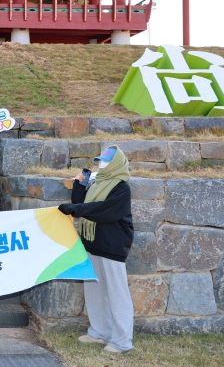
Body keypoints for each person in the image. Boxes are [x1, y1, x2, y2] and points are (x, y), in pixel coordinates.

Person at [57, 146, 134, 354]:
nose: (102, 165)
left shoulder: (121, 188)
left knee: (117, 293)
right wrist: (79, 184)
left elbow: (103, 211)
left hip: (112, 245)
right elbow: (80, 203)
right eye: (100, 161)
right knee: (94, 290)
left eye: (107, 162)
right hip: (92, 243)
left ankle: (122, 341)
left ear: (117, 164)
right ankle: (99, 332)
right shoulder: (96, 183)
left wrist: (75, 209)